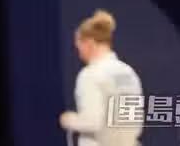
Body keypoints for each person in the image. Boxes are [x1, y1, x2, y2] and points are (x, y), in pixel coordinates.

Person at [59, 10, 143, 146]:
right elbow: (134, 122)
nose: (79, 54)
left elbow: (93, 122)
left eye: (79, 48)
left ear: (89, 44)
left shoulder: (91, 75)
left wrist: (69, 120)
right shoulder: (128, 73)